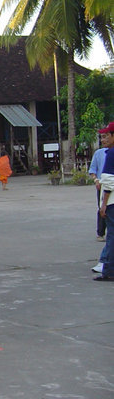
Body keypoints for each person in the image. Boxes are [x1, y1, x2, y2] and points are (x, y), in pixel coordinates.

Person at [94, 121, 114, 282]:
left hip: (112, 201)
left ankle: (109, 269)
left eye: (107, 136)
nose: (103, 140)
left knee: (112, 236)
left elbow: (108, 181)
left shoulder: (111, 154)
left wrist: (104, 204)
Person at [89, 137, 108, 244]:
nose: (103, 140)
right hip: (102, 185)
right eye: (102, 138)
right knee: (102, 208)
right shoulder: (99, 153)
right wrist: (96, 180)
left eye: (106, 137)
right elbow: (92, 170)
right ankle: (100, 233)